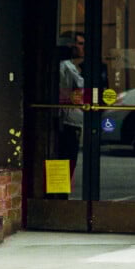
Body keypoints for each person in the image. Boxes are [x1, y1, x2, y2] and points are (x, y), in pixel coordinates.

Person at [58, 32, 85, 181]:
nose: (83, 48)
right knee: (67, 160)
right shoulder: (66, 67)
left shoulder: (72, 67)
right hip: (68, 121)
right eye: (80, 44)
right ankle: (61, 195)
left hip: (72, 120)